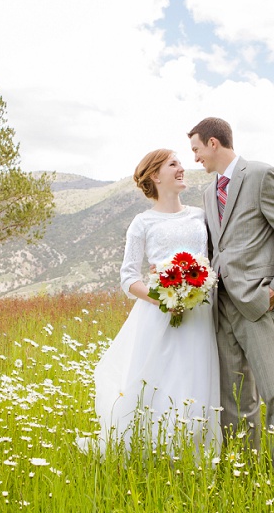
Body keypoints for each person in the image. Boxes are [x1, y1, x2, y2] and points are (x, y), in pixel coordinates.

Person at [81, 149, 221, 456]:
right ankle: (153, 450)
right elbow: (128, 277)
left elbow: (215, 260)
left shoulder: (200, 215)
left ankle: (196, 452)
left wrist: (198, 285)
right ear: (156, 176)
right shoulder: (142, 223)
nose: (182, 168)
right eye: (174, 164)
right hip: (160, 313)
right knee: (158, 382)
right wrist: (161, 299)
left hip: (200, 313)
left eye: (181, 163)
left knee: (196, 378)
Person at [188, 117, 274, 459]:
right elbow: (216, 247)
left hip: (257, 302)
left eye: (196, 149)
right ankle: (248, 477)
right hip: (220, 305)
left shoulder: (260, 175)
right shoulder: (209, 191)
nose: (195, 158)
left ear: (213, 143)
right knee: (234, 399)